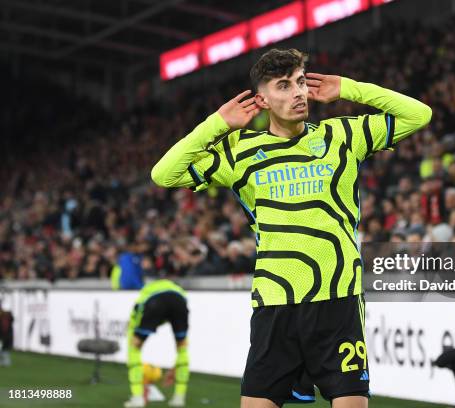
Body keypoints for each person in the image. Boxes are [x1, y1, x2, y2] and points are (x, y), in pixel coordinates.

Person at [151, 48, 432, 408]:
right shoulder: (240, 151)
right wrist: (218, 123)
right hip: (275, 304)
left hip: (337, 300)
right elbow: (163, 174)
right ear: (262, 99)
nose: (298, 92)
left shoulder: (342, 136)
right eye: (284, 86)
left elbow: (419, 114)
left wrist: (349, 88)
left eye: (300, 82)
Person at [124, 279, 189, 408]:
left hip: (155, 302)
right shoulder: (177, 289)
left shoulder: (146, 292)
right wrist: (176, 367)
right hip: (179, 302)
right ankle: (179, 398)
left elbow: (135, 317)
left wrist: (133, 331)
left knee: (134, 347)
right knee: (182, 348)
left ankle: (137, 398)